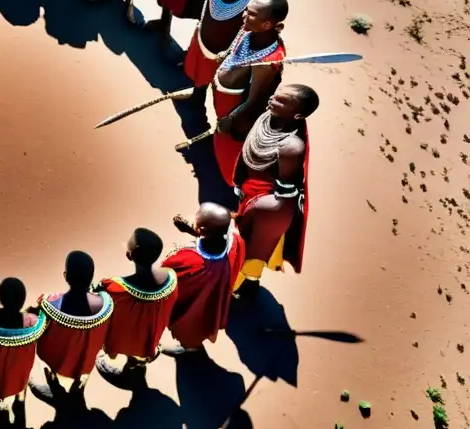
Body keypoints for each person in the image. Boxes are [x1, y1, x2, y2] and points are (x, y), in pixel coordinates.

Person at [233, 84, 317, 299]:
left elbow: (286, 195)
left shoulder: (291, 147)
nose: (272, 100)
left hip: (268, 205)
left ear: (296, 114)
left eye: (281, 101)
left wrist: (262, 212)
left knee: (256, 247)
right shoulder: (265, 118)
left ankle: (248, 283)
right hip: (248, 193)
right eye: (275, 95)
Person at [211, 0, 289, 186]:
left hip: (236, 116)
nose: (244, 15)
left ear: (267, 25)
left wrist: (232, 120)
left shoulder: (268, 62)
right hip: (224, 102)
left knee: (229, 155)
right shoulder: (250, 31)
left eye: (252, 14)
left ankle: (229, 185)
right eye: (247, 10)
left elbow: (256, 101)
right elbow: (236, 51)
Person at [95, 228, 179, 385]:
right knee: (144, 346)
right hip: (151, 331)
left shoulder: (115, 287)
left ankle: (132, 367)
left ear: (129, 255)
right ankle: (140, 362)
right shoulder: (170, 277)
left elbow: (105, 313)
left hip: (130, 335)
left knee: (130, 345)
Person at [160, 203, 245, 357]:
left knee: (189, 327)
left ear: (201, 231)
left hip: (193, 308)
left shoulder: (185, 261)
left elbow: (165, 276)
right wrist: (195, 232)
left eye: (196, 221)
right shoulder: (237, 241)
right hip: (216, 295)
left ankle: (190, 347)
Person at [32, 251, 113, 398]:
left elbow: (39, 330)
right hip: (87, 357)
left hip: (57, 357)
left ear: (65, 276)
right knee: (85, 361)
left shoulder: (50, 303)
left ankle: (54, 378)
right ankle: (80, 381)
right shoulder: (104, 302)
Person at [183, 0, 262, 91]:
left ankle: (197, 96)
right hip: (201, 40)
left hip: (218, 53)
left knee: (205, 80)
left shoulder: (251, 1)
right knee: (193, 65)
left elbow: (245, 33)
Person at [0, 277, 47, 409]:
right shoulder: (33, 323)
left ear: (0, 298)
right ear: (22, 301)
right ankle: (20, 397)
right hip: (18, 377)